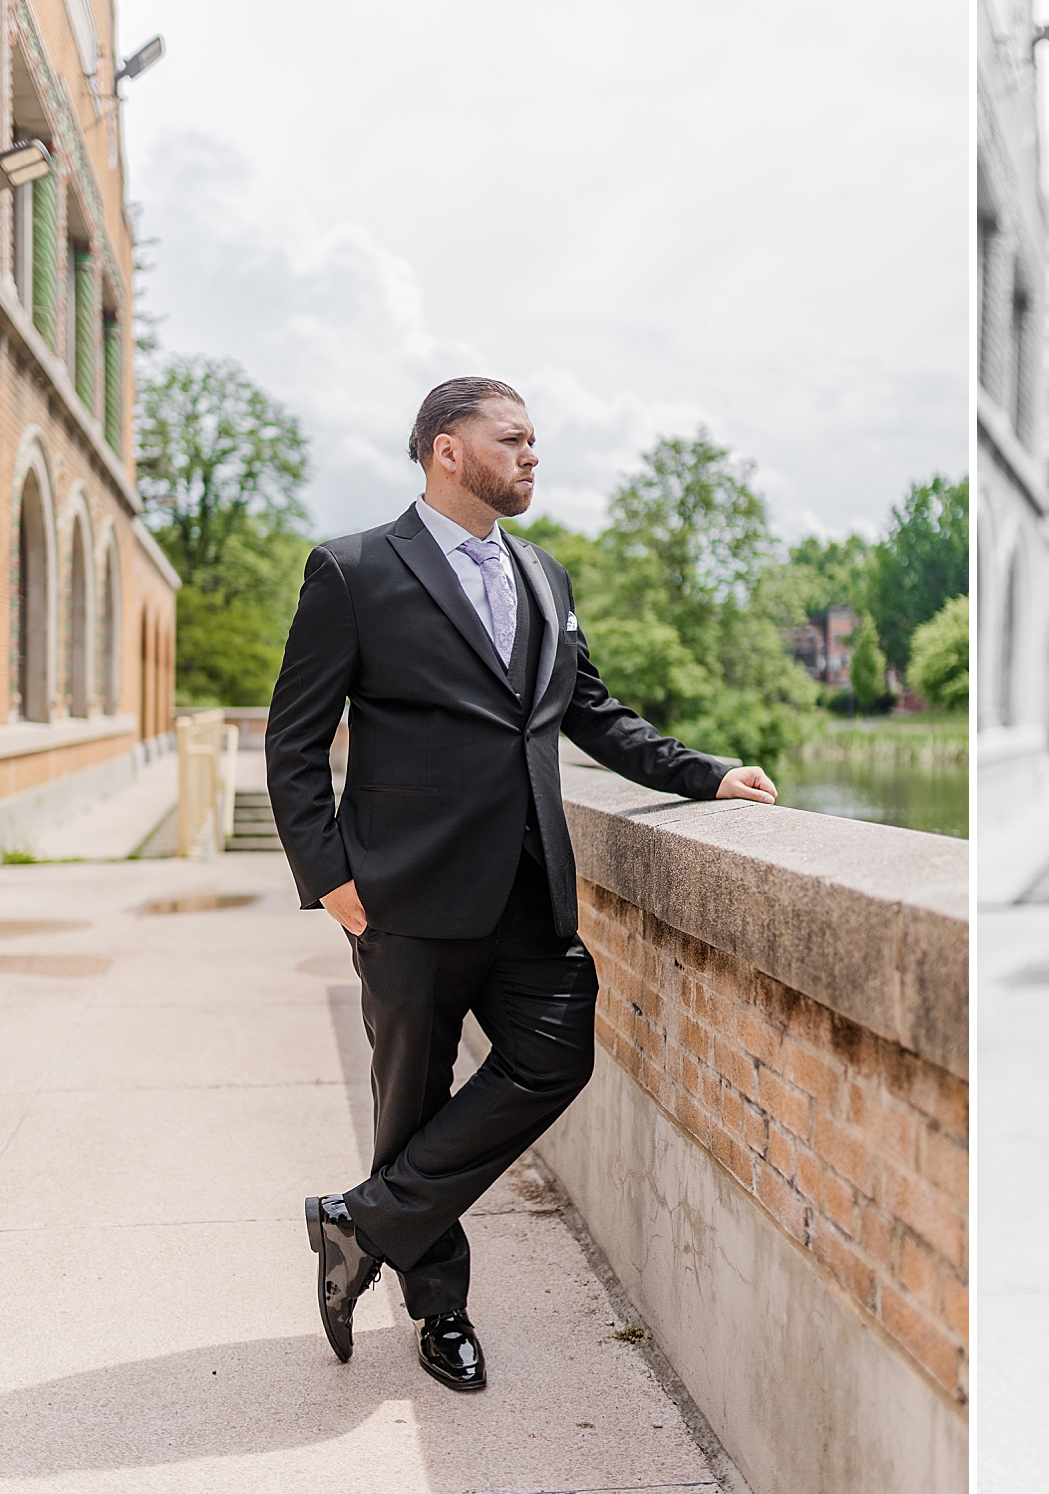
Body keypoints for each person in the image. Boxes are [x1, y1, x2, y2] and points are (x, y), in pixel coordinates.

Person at [267, 376, 777, 1392]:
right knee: (411, 1107)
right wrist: (332, 883)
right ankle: (440, 1313)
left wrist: (703, 773)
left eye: (535, 439)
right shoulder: (355, 570)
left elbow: (593, 713)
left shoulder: (542, 576)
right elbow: (293, 742)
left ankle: (358, 1223)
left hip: (532, 891)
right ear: (447, 451)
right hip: (406, 899)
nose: (533, 455)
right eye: (514, 439)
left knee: (555, 1058)